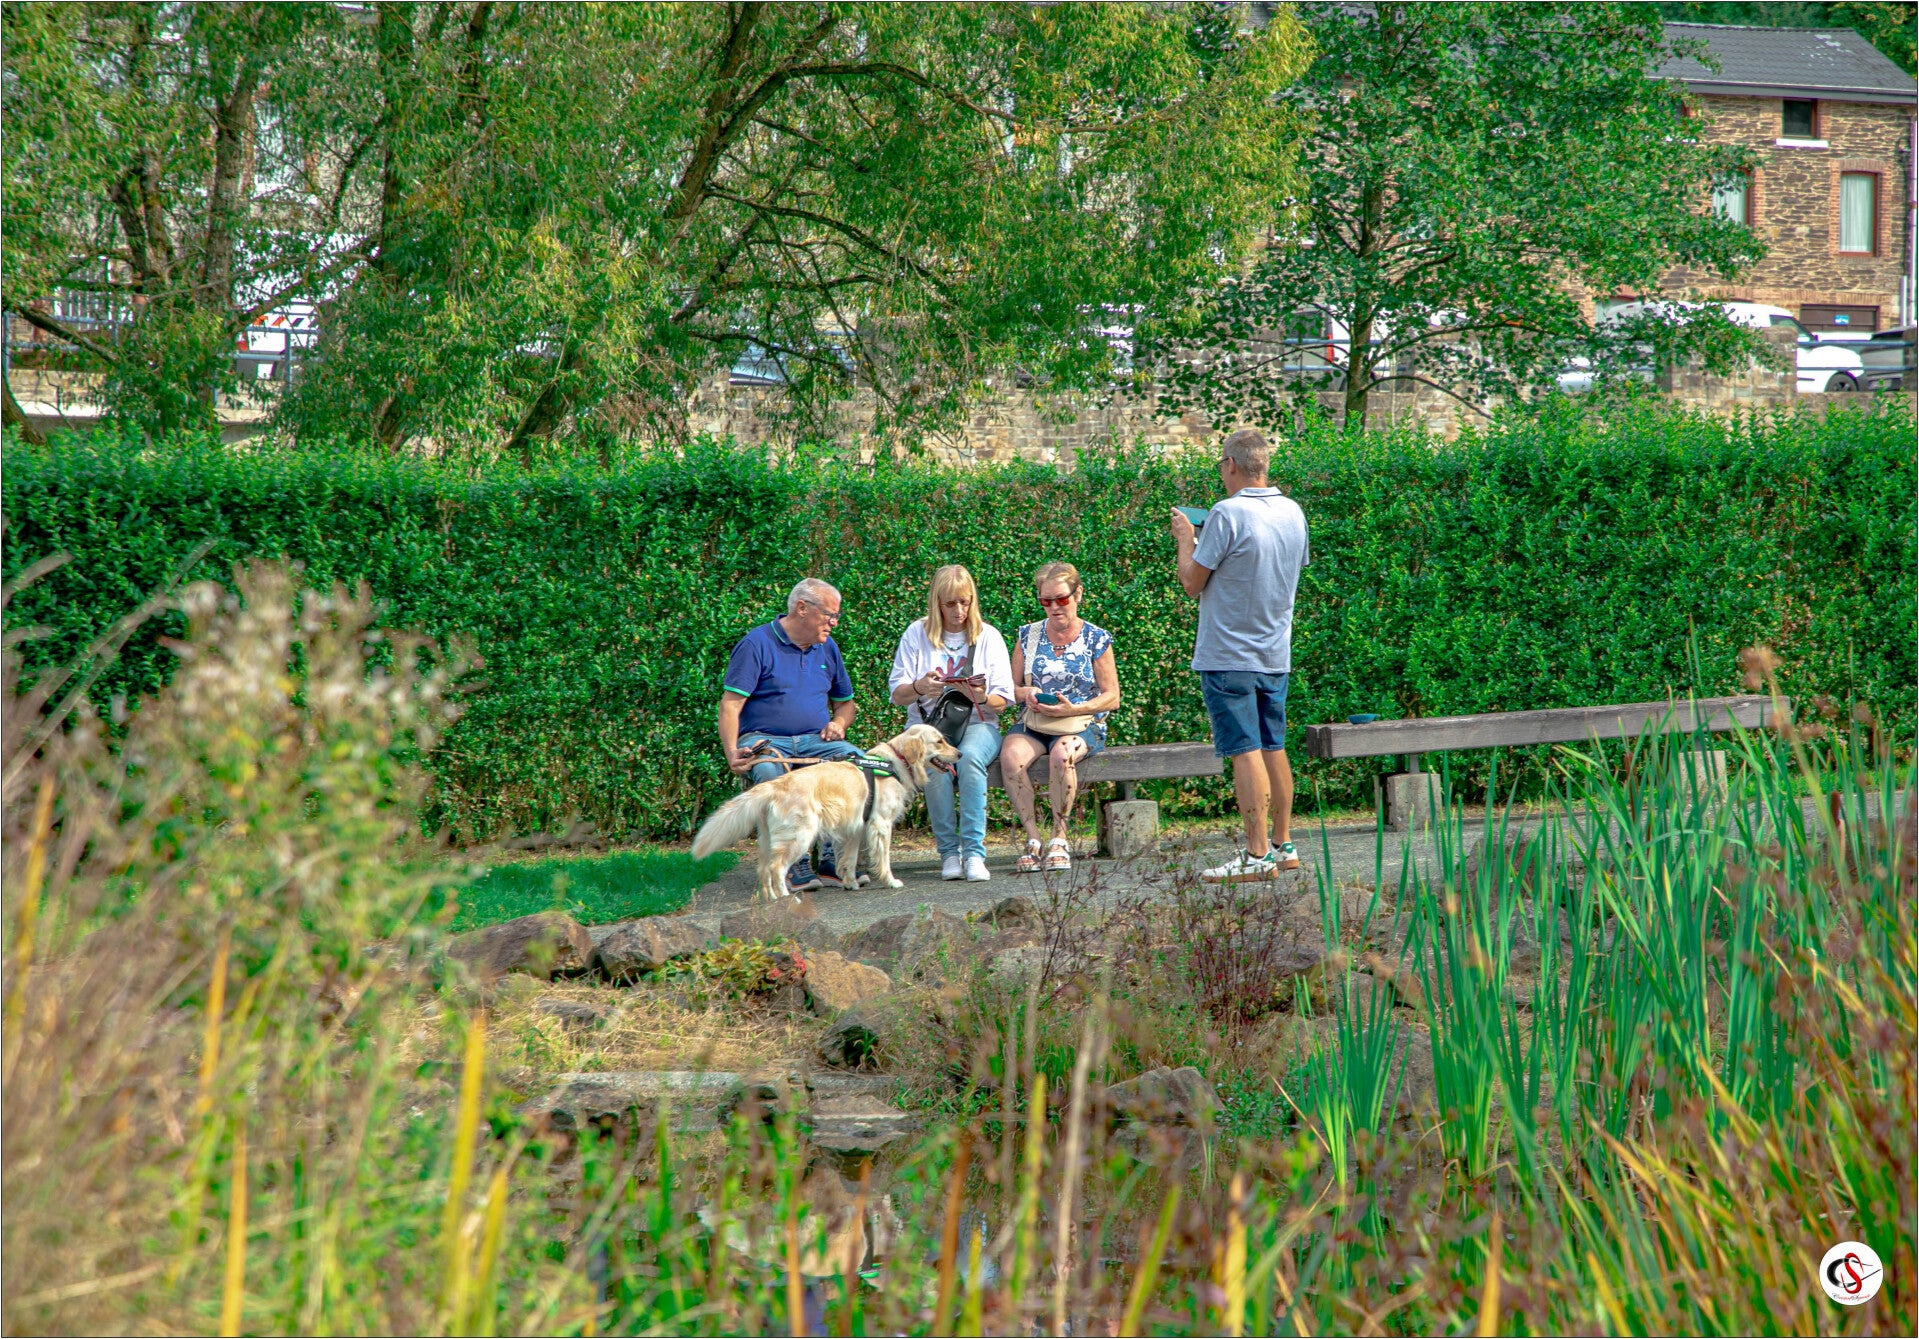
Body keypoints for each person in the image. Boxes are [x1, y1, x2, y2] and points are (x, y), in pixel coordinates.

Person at [1169, 427, 1310, 882]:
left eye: (1221, 465)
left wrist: (1185, 538)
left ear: (1231, 464)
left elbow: (1192, 582)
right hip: (1274, 653)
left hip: (1228, 654)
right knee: (1273, 745)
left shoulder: (1226, 513)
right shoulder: (1292, 511)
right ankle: (1283, 845)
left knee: (1244, 750)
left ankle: (1255, 856)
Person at [717, 576, 863, 893]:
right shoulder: (756, 645)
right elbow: (730, 705)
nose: (835, 623)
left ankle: (835, 863)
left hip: (816, 741)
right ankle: (794, 863)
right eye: (830, 615)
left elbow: (846, 704)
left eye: (837, 615)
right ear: (802, 608)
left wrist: (839, 723)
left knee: (859, 766)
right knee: (773, 777)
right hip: (766, 740)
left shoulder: (827, 648)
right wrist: (732, 752)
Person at [888, 565, 1014, 883]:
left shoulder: (988, 636)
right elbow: (898, 695)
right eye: (950, 603)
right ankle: (948, 854)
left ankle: (973, 854)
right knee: (933, 763)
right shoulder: (916, 634)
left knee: (969, 758)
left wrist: (980, 696)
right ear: (937, 603)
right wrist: (920, 687)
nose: (959, 611)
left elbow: (1003, 701)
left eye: (965, 602)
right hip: (929, 726)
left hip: (979, 724)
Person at [1001, 561, 1121, 873]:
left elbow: (1112, 696)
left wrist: (1074, 709)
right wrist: (1026, 693)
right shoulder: (1028, 635)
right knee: (1010, 757)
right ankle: (1033, 839)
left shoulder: (1096, 638)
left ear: (1078, 594)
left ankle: (1059, 838)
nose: (1054, 607)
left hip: (1081, 723)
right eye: (1046, 601)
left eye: (1061, 599)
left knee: (1061, 754)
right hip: (1035, 721)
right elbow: (1008, 688)